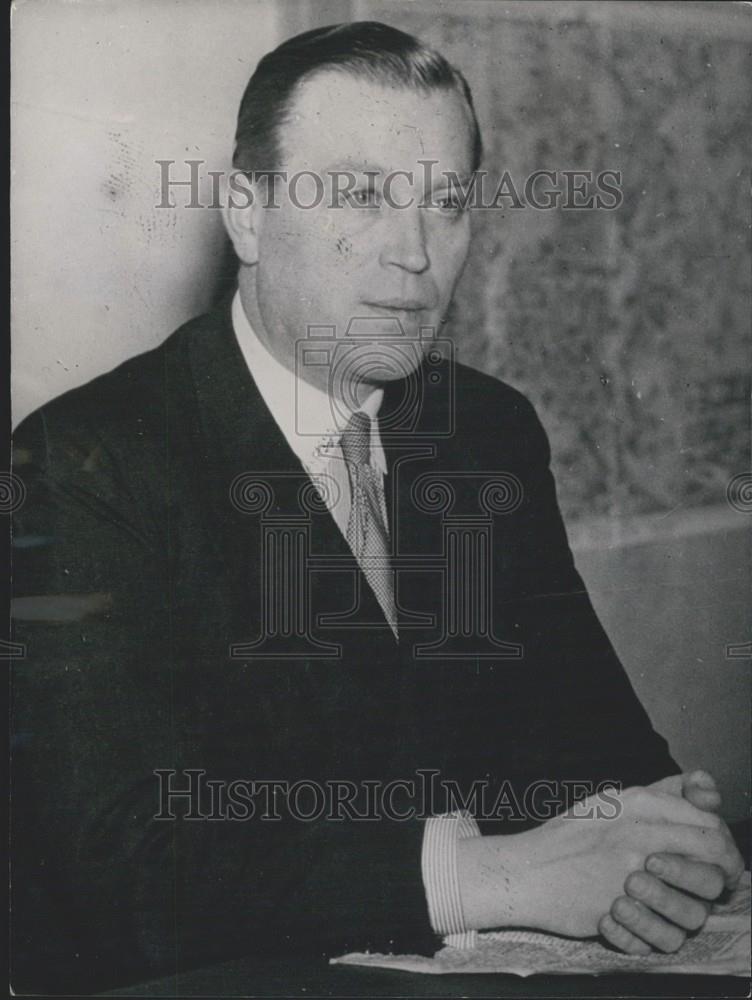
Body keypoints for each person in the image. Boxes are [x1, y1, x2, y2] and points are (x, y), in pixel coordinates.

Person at [10, 21, 743, 994]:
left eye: (445, 202)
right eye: (358, 194)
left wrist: (658, 832)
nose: (414, 254)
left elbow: (595, 749)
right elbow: (119, 876)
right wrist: (484, 874)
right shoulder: (85, 462)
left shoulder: (484, 431)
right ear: (246, 213)